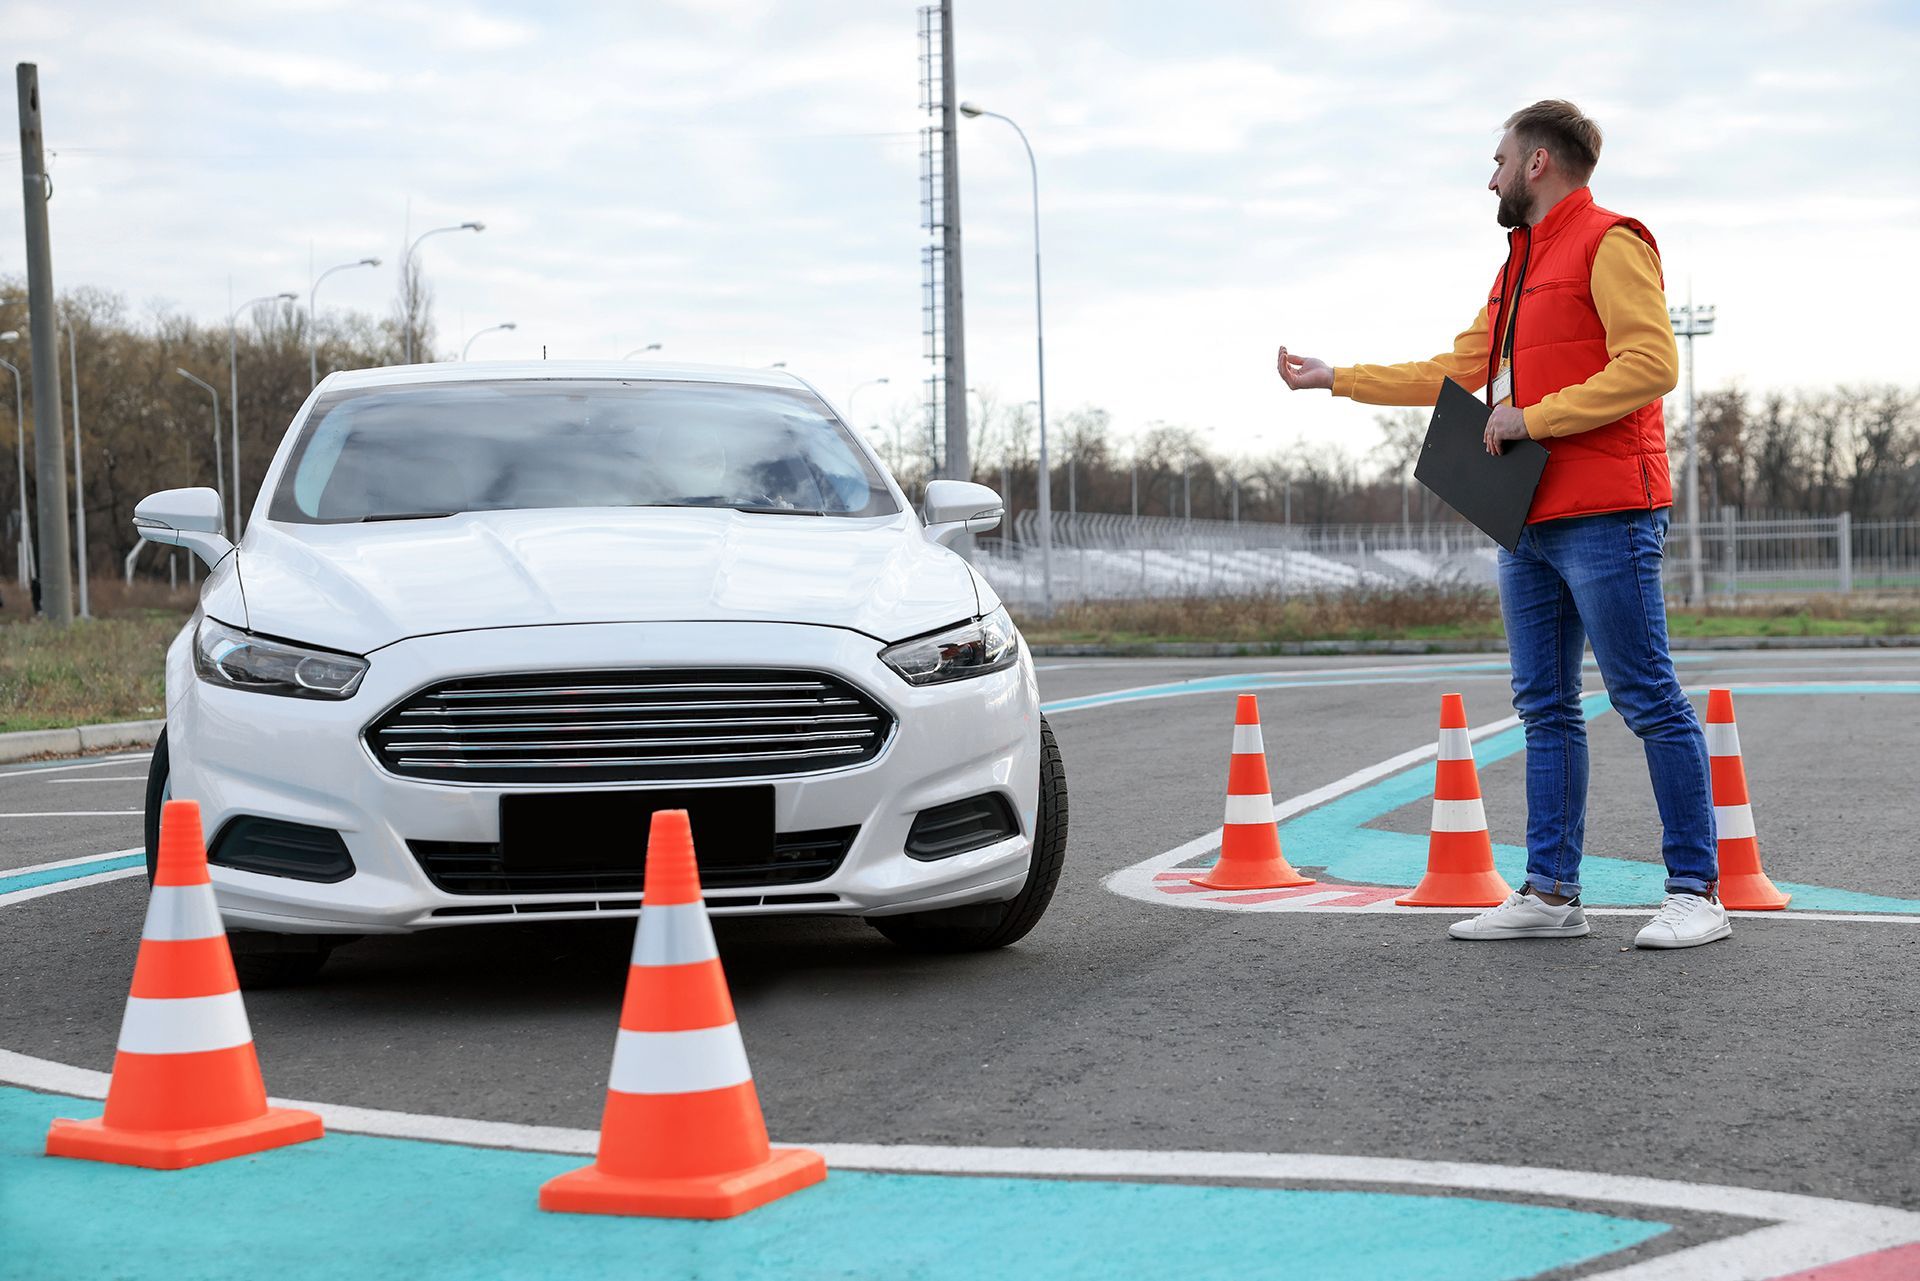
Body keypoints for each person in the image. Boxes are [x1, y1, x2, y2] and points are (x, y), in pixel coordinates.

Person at [1275, 100, 1727, 950]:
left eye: (1498, 158)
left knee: (1646, 697)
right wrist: (1338, 377)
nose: (1488, 174)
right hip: (1528, 520)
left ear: (1537, 164)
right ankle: (1553, 895)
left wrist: (1535, 417)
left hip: (1607, 512)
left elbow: (1653, 361)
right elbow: (1456, 368)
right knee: (1545, 707)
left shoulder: (1611, 239)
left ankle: (1696, 890)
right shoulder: (1516, 268)